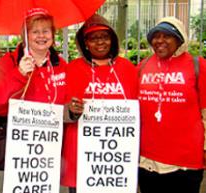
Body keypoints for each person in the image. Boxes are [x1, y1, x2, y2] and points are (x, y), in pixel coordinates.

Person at [60, 14, 138, 193]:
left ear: (112, 39)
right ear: (85, 43)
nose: (100, 42)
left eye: (104, 36)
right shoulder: (71, 69)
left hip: (116, 161)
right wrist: (71, 111)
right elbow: (58, 111)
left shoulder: (128, 69)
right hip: (81, 160)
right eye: (93, 38)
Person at [138, 17, 206, 193]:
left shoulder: (198, 66)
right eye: (155, 36)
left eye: (167, 35)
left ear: (180, 39)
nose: (159, 41)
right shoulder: (142, 66)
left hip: (185, 164)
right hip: (148, 162)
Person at [0, 7, 82, 118]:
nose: (41, 36)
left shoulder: (61, 65)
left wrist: (72, 110)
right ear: (26, 36)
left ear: (52, 34)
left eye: (46, 31)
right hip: (19, 132)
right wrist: (19, 74)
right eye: (35, 32)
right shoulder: (9, 62)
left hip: (50, 133)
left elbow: (65, 109)